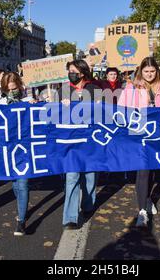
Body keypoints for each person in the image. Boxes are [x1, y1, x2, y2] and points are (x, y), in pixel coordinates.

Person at [118, 57, 160, 228]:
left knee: (152, 169)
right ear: (140, 71)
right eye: (146, 72)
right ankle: (142, 211)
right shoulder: (131, 88)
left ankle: (147, 198)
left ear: (157, 71)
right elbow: (122, 110)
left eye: (152, 71)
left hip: (158, 135)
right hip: (138, 134)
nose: (150, 75)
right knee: (143, 169)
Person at [57, 60, 101, 230]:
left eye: (73, 71)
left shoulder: (95, 90)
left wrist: (99, 107)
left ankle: (88, 205)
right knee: (72, 177)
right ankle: (70, 217)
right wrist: (60, 106)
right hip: (71, 142)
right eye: (69, 71)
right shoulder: (63, 90)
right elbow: (54, 114)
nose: (71, 73)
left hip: (90, 141)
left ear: (82, 73)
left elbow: (102, 114)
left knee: (90, 175)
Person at [0, 72, 29, 236]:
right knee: (15, 184)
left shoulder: (28, 100)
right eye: (8, 89)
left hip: (25, 148)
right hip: (8, 149)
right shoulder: (1, 102)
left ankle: (21, 220)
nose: (12, 92)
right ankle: (21, 206)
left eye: (14, 88)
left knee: (22, 183)